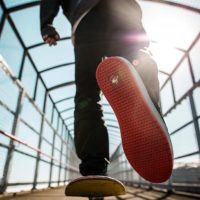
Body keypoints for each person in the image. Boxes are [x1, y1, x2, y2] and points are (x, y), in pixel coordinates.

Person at [40, 0, 161, 178]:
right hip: (124, 10)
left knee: (87, 95)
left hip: (86, 19)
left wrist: (46, 24)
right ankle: (150, 108)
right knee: (137, 57)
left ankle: (93, 165)